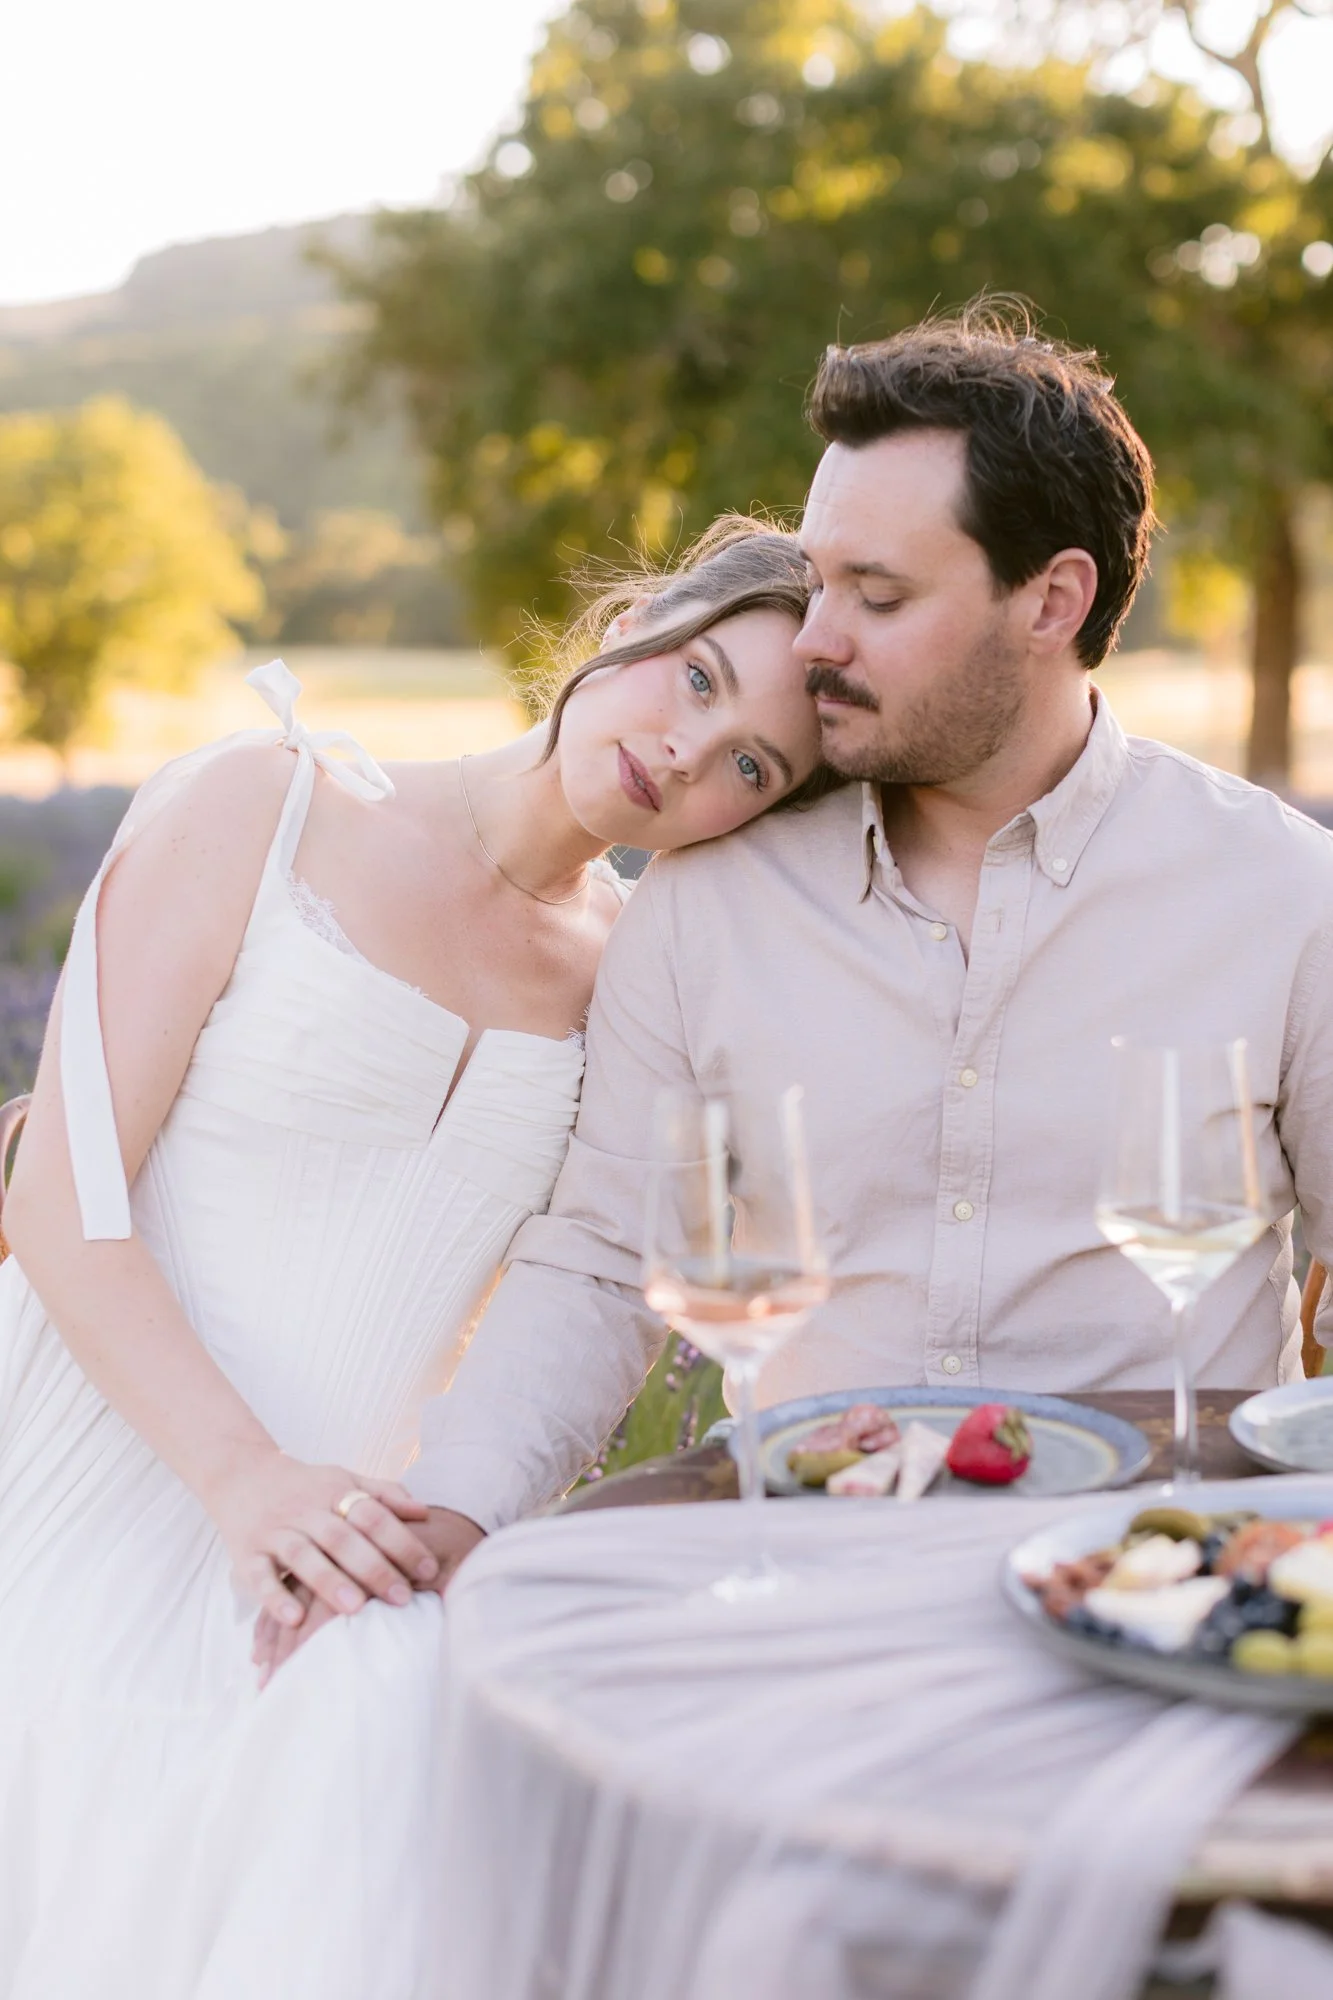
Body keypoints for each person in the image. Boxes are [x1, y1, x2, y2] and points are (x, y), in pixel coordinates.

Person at [0, 515, 829, 1992]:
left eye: (754, 765)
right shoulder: (265, 803)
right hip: (101, 1461)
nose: (692, 754)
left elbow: (584, 1285)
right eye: (698, 680)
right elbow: (63, 1199)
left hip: (354, 1533)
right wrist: (245, 1483)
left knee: (406, 1774)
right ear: (635, 622)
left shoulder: (635, 978)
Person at [378, 305, 1333, 1558]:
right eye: (818, 577)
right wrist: (450, 1515)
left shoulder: (1282, 894)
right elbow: (606, 1262)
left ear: (1050, 600)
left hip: (1153, 1579)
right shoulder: (707, 901)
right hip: (808, 1571)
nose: (814, 637)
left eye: (875, 595)